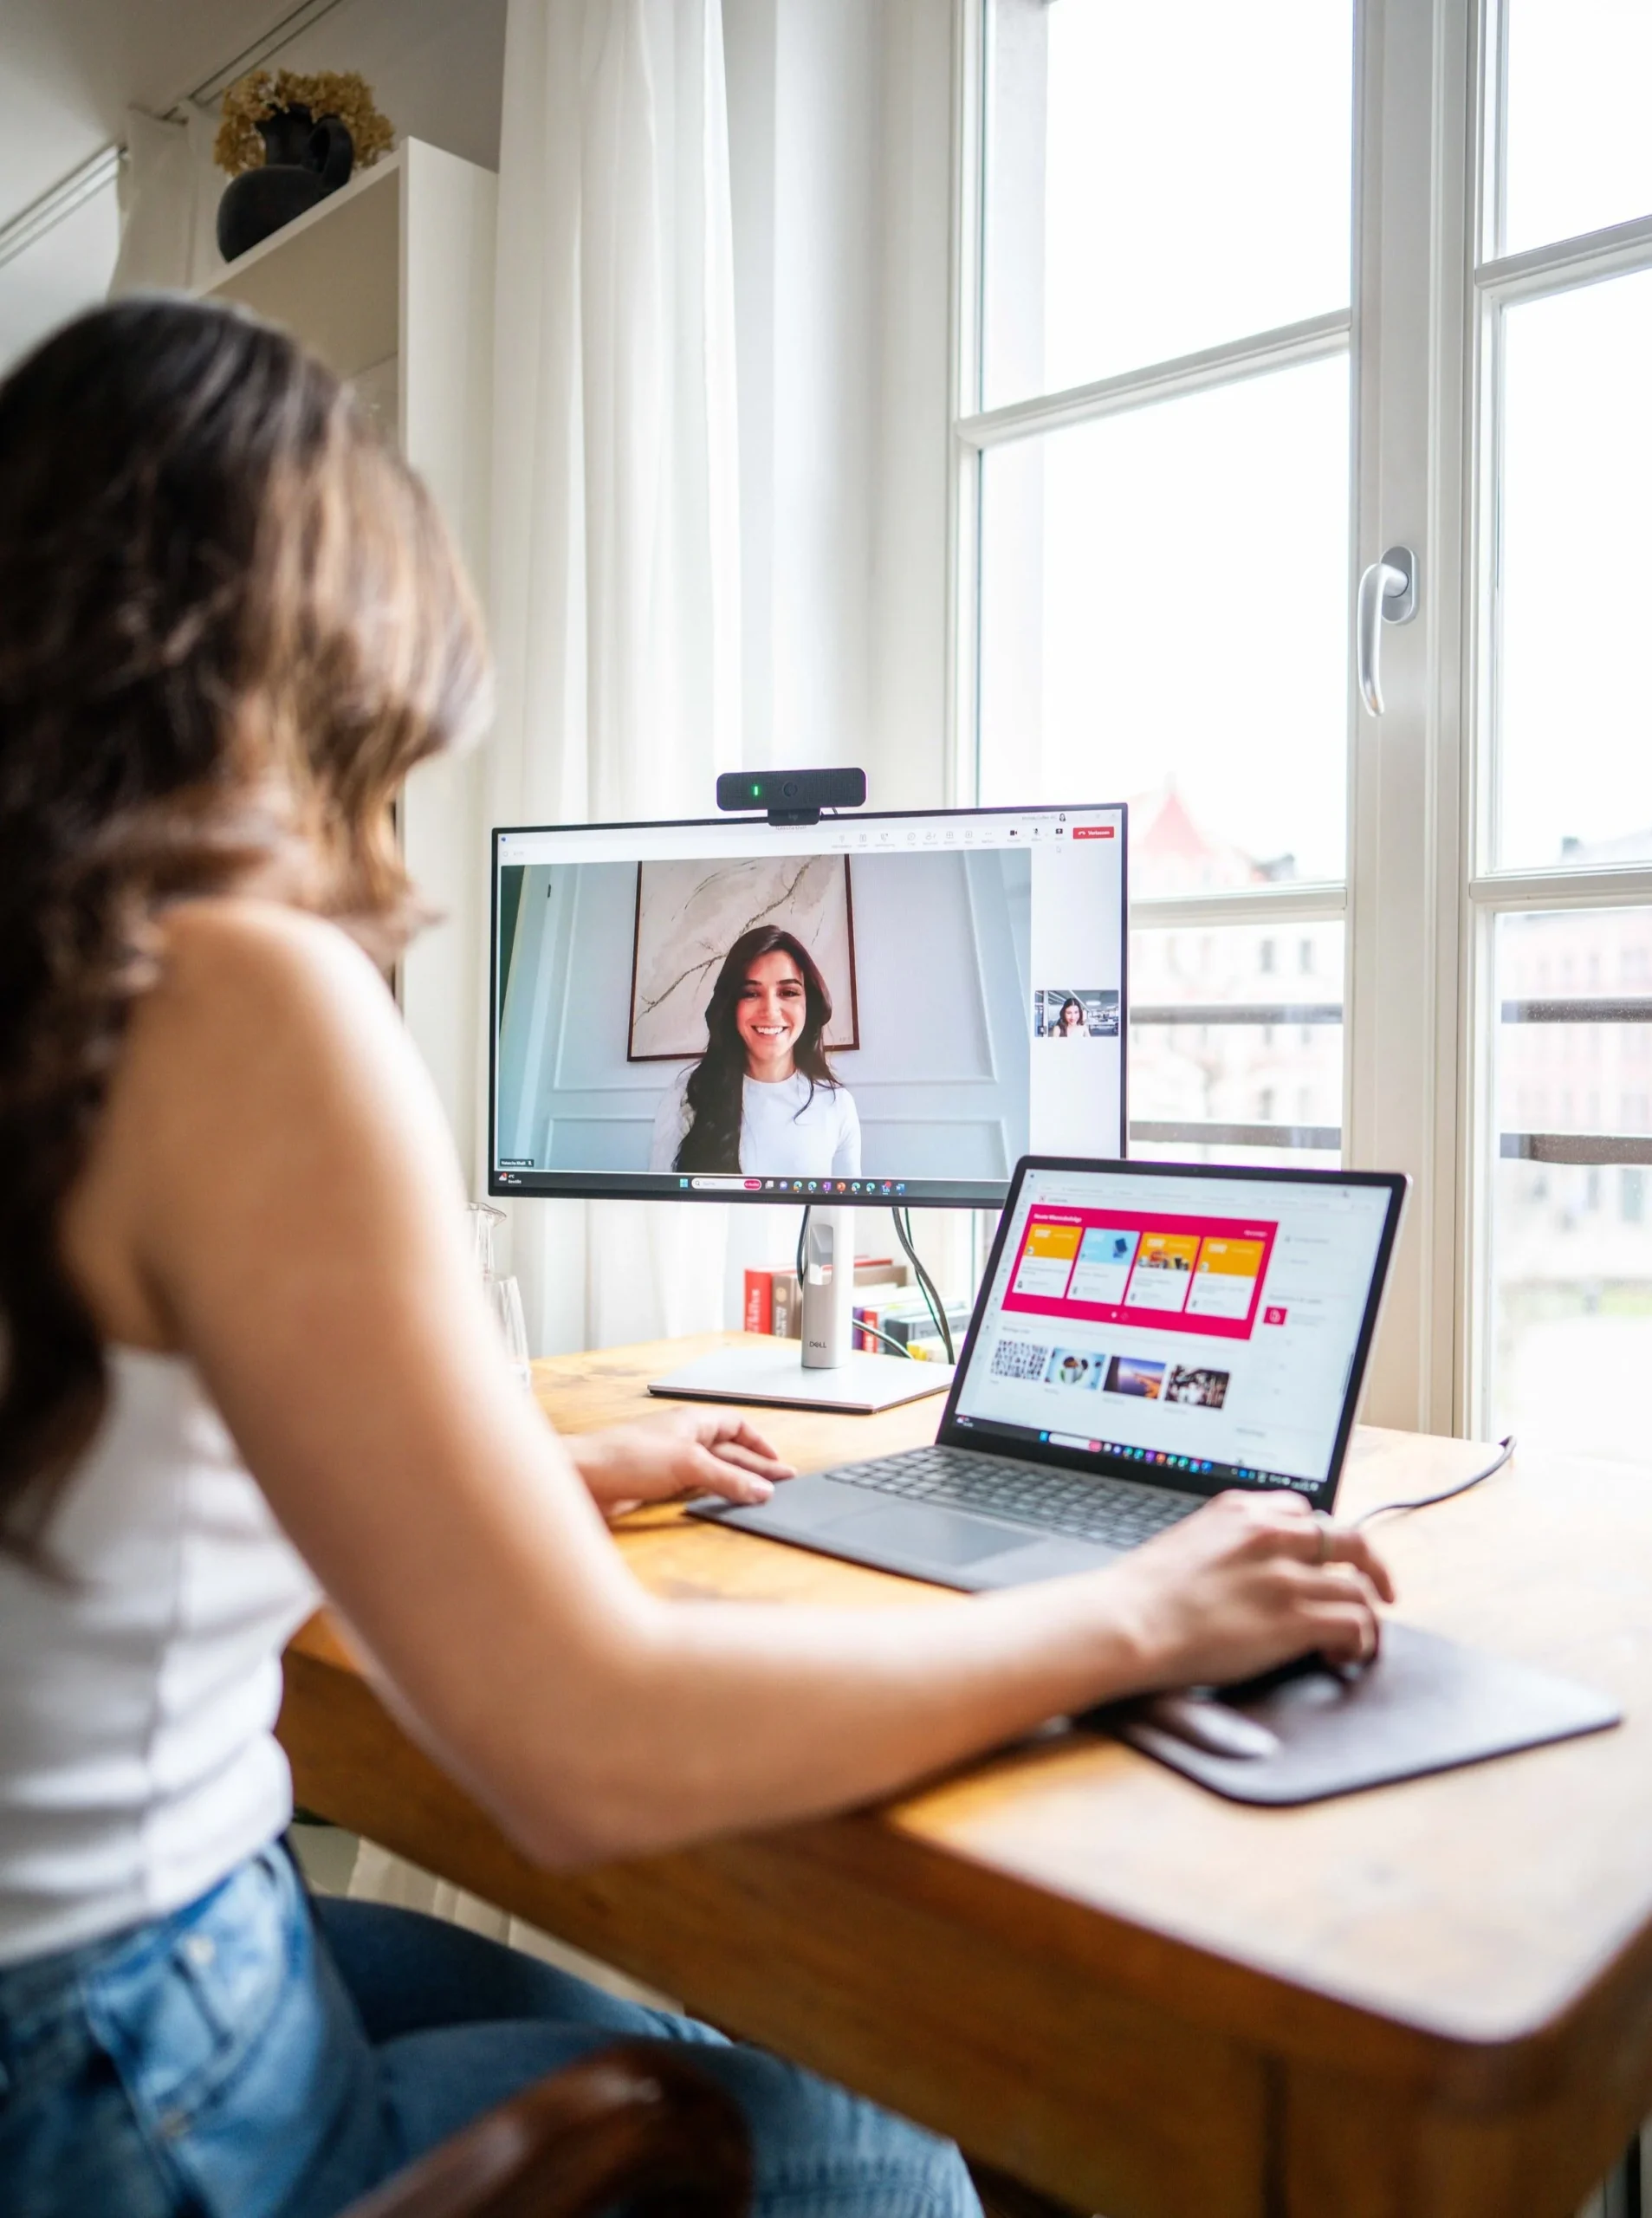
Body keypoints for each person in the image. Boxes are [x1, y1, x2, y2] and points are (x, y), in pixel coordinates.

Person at [0, 298, 1393, 2218]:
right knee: (884, 2132)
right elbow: (581, 1750)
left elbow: (97, 1501)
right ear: (317, 663)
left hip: (106, 1962)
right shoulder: (238, 987)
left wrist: (537, 1470)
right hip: (116, 2053)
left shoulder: (55, 981)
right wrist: (1146, 1612)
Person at [648, 926, 860, 1177]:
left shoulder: (837, 1105)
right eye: (751, 993)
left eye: (788, 992)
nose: (770, 1011)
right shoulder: (687, 1095)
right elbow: (660, 1208)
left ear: (809, 1005)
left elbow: (844, 1214)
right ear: (731, 1007)